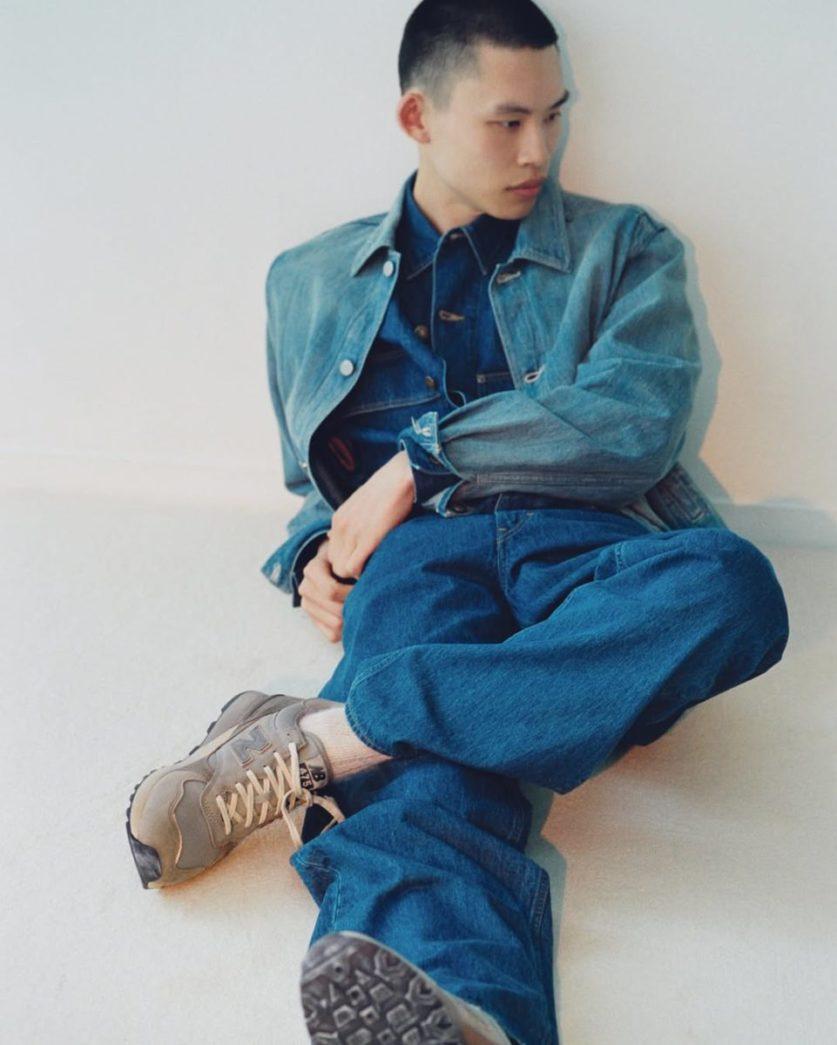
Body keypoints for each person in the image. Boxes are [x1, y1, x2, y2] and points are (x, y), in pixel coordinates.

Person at [125, 2, 791, 1042]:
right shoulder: (307, 281)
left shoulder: (626, 247)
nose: (539, 150)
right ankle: (469, 1010)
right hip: (419, 560)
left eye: (554, 116)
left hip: (589, 542)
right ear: (417, 117)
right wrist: (314, 554)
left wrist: (422, 458)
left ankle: (333, 734)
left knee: (732, 587)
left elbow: (636, 423)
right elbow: (314, 485)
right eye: (507, 121)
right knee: (429, 787)